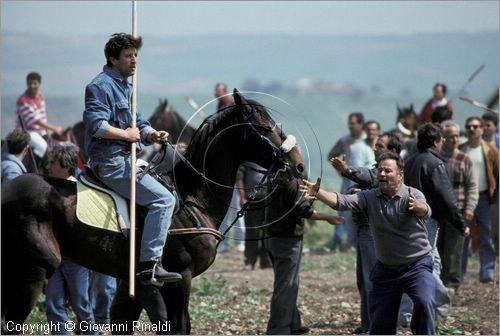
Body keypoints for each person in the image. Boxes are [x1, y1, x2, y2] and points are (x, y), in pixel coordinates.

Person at [82, 33, 181, 285]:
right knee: (164, 200)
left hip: (127, 158)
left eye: (135, 55)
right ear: (113, 59)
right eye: (128, 55)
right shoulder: (100, 86)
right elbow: (96, 125)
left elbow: (140, 124)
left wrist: (152, 134)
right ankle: (149, 265)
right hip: (111, 162)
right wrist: (125, 134)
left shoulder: (126, 86)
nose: (134, 60)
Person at [302, 152, 435, 335]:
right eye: (380, 170)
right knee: (379, 320)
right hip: (386, 270)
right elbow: (342, 201)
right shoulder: (369, 197)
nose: (382, 174)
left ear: (400, 174)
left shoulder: (412, 194)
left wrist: (419, 208)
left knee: (424, 301)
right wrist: (318, 193)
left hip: (416, 266)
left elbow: (425, 210)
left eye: (388, 171)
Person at [331, 132, 402, 334]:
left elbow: (369, 178)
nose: (375, 149)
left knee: (373, 279)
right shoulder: (376, 171)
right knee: (364, 280)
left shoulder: (391, 172)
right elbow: (363, 183)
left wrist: (348, 170)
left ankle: (377, 324)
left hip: (376, 230)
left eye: (380, 146)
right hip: (366, 228)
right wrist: (356, 191)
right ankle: (368, 323)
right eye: (375, 145)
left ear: (393, 151)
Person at [404, 122, 469, 321]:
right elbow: (447, 199)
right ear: (435, 142)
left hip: (408, 219)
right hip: (427, 220)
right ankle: (438, 308)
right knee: (427, 263)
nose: (442, 144)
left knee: (430, 261)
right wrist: (460, 224)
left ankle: (414, 310)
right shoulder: (434, 163)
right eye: (441, 140)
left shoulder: (409, 161)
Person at [264, 175, 343, 335]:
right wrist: (328, 217)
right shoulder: (294, 181)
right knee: (286, 285)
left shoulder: (272, 176)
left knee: (286, 282)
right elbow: (303, 210)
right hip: (288, 240)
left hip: (272, 237)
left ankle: (293, 323)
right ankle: (278, 330)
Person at [44, 142, 96, 335]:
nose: (48, 166)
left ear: (66, 166)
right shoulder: (47, 190)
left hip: (78, 260)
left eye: (52, 163)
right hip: (55, 257)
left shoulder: (81, 190)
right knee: (54, 304)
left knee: (82, 306)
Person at [459, 116, 498, 283]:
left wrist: (494, 197)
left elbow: (497, 173)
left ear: (482, 129)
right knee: (462, 236)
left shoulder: (491, 150)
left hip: (483, 197)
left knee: (486, 234)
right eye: (468, 126)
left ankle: (487, 271)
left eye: (475, 126)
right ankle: (458, 274)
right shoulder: (461, 149)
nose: (472, 129)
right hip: (463, 197)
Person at [440, 120, 478, 288]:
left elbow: (472, 185)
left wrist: (470, 206)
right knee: (438, 249)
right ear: (442, 138)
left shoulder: (464, 158)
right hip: (439, 210)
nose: (454, 140)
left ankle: (452, 285)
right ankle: (439, 284)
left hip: (459, 210)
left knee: (454, 251)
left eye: (456, 136)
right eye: (450, 136)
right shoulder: (436, 158)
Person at [327, 112, 373, 251]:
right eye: (349, 123)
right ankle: (338, 241)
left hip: (364, 180)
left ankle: (355, 243)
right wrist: (341, 172)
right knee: (343, 210)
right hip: (348, 180)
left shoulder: (368, 140)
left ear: (360, 124)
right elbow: (332, 155)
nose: (350, 126)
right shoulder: (345, 141)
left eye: (353, 123)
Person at [16, 72, 64, 160]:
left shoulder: (40, 97)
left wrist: (48, 130)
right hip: (26, 131)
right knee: (42, 146)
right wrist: (55, 128)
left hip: (39, 130)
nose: (31, 85)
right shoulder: (23, 100)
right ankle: (34, 169)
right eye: (29, 83)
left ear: (39, 84)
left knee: (56, 145)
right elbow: (35, 120)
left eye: (34, 83)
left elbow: (42, 116)